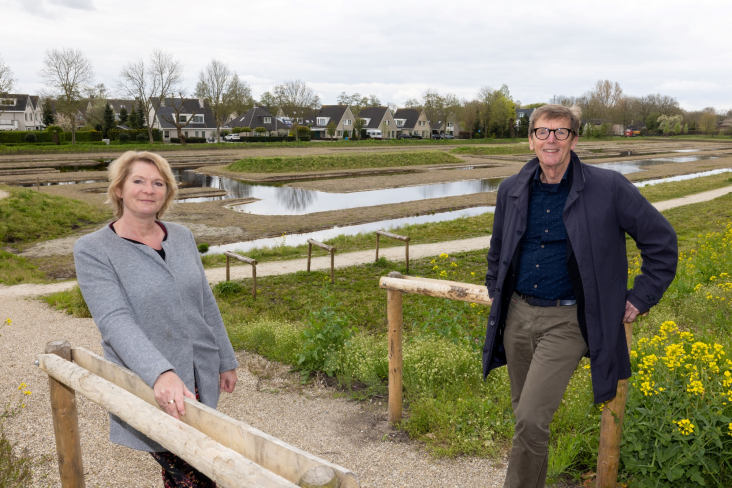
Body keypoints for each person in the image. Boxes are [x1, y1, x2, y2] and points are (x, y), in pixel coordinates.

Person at [483, 105, 678, 488]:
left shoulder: (608, 187)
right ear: (530, 139)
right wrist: (496, 291)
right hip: (519, 316)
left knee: (531, 419)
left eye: (560, 132)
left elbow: (662, 242)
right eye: (542, 132)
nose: (550, 140)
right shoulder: (512, 189)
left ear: (575, 139)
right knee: (525, 416)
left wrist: (639, 298)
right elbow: (498, 249)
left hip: (569, 321)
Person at [74, 151, 239, 488]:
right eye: (138, 181)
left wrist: (225, 357)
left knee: (184, 471)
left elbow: (204, 301)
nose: (148, 189)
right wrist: (161, 373)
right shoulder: (93, 249)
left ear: (167, 192)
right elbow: (114, 320)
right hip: (148, 380)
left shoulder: (181, 236)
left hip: (198, 376)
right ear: (119, 189)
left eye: (158, 183)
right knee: (197, 473)